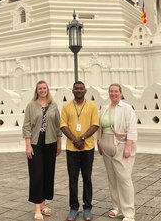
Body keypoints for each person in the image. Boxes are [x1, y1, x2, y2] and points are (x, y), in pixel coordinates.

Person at [23, 80, 62, 221]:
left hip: (50, 142)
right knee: (37, 174)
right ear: (37, 90)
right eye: (40, 88)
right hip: (35, 143)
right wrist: (28, 146)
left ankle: (43, 204)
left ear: (47, 90)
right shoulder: (31, 106)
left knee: (47, 174)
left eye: (44, 88)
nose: (42, 90)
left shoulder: (53, 105)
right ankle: (37, 208)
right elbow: (26, 127)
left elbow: (58, 126)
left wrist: (59, 144)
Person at [97, 83, 137, 221]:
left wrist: (128, 147)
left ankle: (129, 213)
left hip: (121, 145)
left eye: (116, 91)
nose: (113, 94)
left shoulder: (126, 108)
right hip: (106, 144)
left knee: (124, 179)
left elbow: (132, 128)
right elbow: (100, 127)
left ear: (120, 93)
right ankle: (117, 208)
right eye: (111, 91)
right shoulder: (104, 108)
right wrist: (99, 144)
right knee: (112, 178)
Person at [60, 81, 99, 221]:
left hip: (87, 148)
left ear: (85, 90)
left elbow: (95, 125)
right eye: (76, 88)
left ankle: (87, 208)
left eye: (81, 88)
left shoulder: (92, 106)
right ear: (72, 90)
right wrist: (75, 140)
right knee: (73, 179)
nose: (79, 90)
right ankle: (74, 208)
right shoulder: (66, 106)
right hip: (72, 149)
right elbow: (63, 125)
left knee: (87, 178)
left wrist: (82, 138)